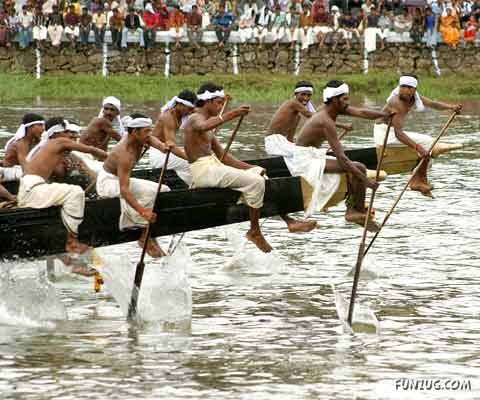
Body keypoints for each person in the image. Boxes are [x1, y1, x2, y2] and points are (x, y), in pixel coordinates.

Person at [183, 83, 272, 252]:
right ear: (207, 102)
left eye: (222, 102)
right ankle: (254, 231)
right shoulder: (195, 118)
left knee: (259, 175)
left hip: (214, 167)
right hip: (203, 171)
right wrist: (234, 113)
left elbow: (225, 158)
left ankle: (284, 220)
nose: (220, 106)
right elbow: (202, 126)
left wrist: (252, 166)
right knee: (256, 183)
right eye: (218, 102)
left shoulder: (209, 126)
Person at [294, 80, 391, 230]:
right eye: (345, 99)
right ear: (334, 100)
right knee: (358, 167)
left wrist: (385, 115)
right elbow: (342, 158)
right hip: (304, 160)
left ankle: (354, 210)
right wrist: (366, 181)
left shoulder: (334, 108)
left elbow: (362, 112)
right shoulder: (325, 120)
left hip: (314, 155)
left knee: (357, 168)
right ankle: (353, 211)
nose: (347, 102)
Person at [18, 117, 107, 254]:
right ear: (56, 133)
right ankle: (72, 241)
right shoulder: (58, 141)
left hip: (30, 189)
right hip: (34, 189)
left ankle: (68, 254)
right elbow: (91, 150)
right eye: (66, 131)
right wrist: (113, 158)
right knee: (75, 192)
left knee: (72, 192)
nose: (70, 135)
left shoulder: (49, 146)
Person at [96, 113, 171, 258]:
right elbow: (124, 190)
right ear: (134, 132)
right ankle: (143, 235)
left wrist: (162, 147)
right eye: (146, 131)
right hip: (108, 183)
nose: (149, 134)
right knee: (149, 193)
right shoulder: (125, 154)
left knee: (164, 189)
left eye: (149, 130)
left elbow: (151, 139)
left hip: (119, 179)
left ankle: (149, 233)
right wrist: (143, 211)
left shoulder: (139, 137)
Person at [374, 75, 462, 197]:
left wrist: (451, 107)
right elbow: (398, 134)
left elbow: (433, 104)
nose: (405, 90)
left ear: (414, 89)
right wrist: (418, 147)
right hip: (383, 134)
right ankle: (417, 181)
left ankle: (420, 179)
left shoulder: (415, 98)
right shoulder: (396, 102)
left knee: (429, 142)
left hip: (393, 131)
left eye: (409, 87)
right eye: (403, 86)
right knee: (428, 144)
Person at [150, 90, 197, 186]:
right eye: (190, 109)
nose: (191, 112)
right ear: (180, 104)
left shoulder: (181, 114)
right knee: (192, 163)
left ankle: (189, 185)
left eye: (192, 109)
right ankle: (193, 187)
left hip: (166, 152)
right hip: (159, 154)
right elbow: (172, 146)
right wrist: (191, 159)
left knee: (199, 156)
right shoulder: (168, 117)